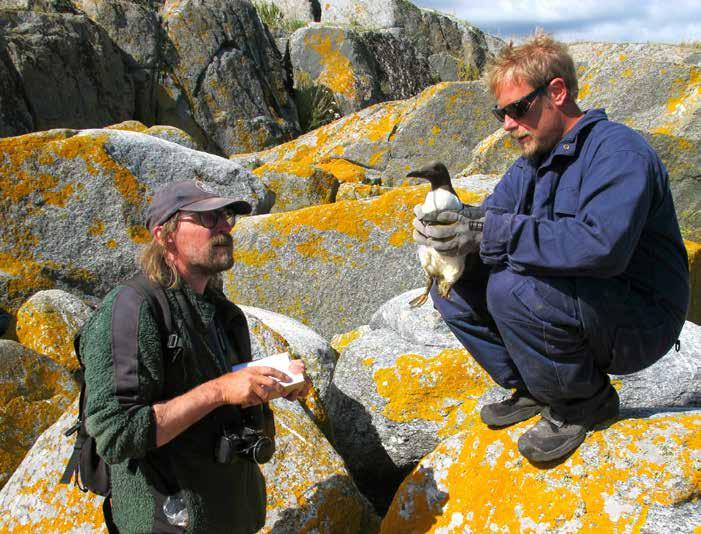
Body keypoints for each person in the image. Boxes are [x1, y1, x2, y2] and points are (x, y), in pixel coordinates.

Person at [412, 33, 689, 463]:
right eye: (500, 113)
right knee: (453, 283)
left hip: (641, 317)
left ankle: (582, 401)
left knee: (511, 288)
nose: (507, 124)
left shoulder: (619, 152)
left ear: (556, 92)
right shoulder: (532, 164)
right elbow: (488, 220)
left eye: (517, 109)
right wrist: (445, 227)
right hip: (587, 302)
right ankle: (535, 385)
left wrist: (486, 233)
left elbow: (603, 246)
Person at [81, 179, 310, 533]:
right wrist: (219, 390)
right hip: (168, 523)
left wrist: (273, 383)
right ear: (164, 234)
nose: (223, 225)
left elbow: (227, 401)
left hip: (231, 517)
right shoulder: (133, 309)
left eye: (226, 216)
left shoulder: (222, 313)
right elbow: (117, 433)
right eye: (206, 218)